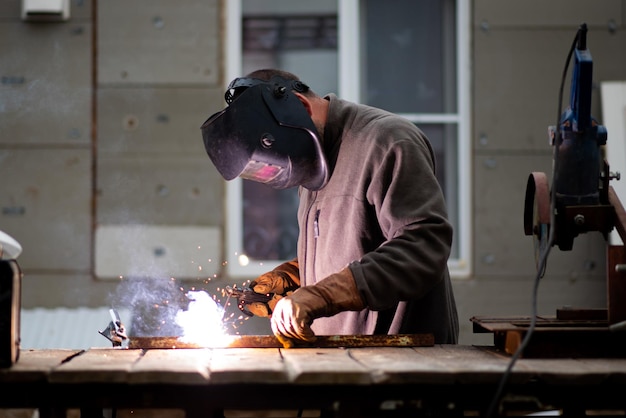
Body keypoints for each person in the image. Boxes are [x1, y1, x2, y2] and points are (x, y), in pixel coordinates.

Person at [201, 69, 459, 347]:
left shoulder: (387, 142)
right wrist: (295, 278)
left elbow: (423, 246)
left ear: (300, 106)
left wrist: (321, 296)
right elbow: (359, 245)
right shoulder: (315, 162)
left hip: (404, 363)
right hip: (345, 359)